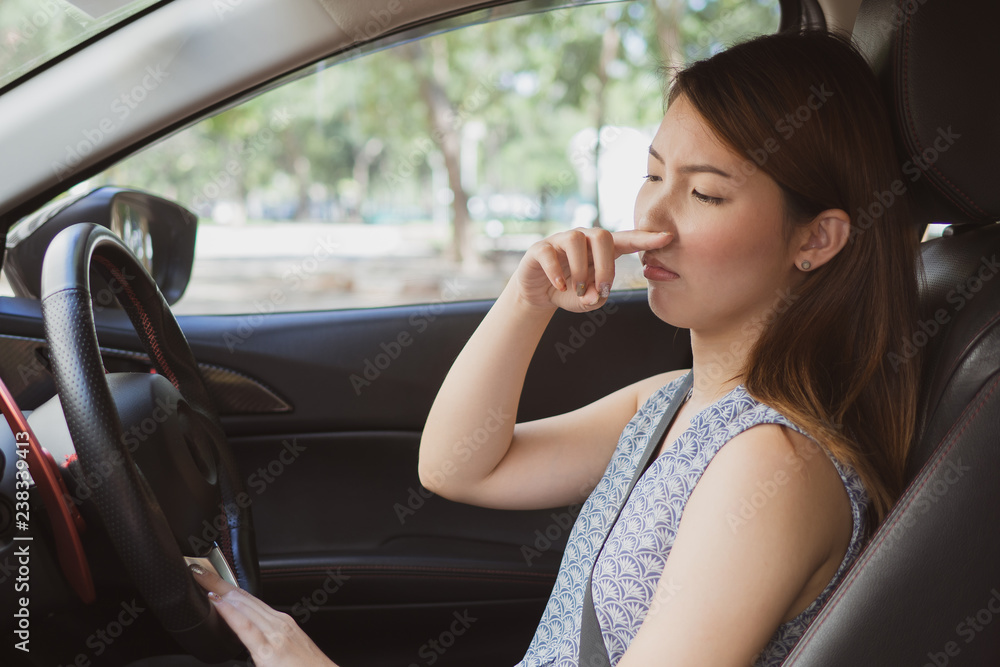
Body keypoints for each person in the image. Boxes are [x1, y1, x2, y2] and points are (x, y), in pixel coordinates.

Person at [192, 26, 922, 667]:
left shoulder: (775, 466)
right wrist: (528, 299)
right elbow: (458, 466)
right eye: (652, 174)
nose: (652, 219)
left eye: (704, 195)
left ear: (816, 238)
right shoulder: (670, 402)